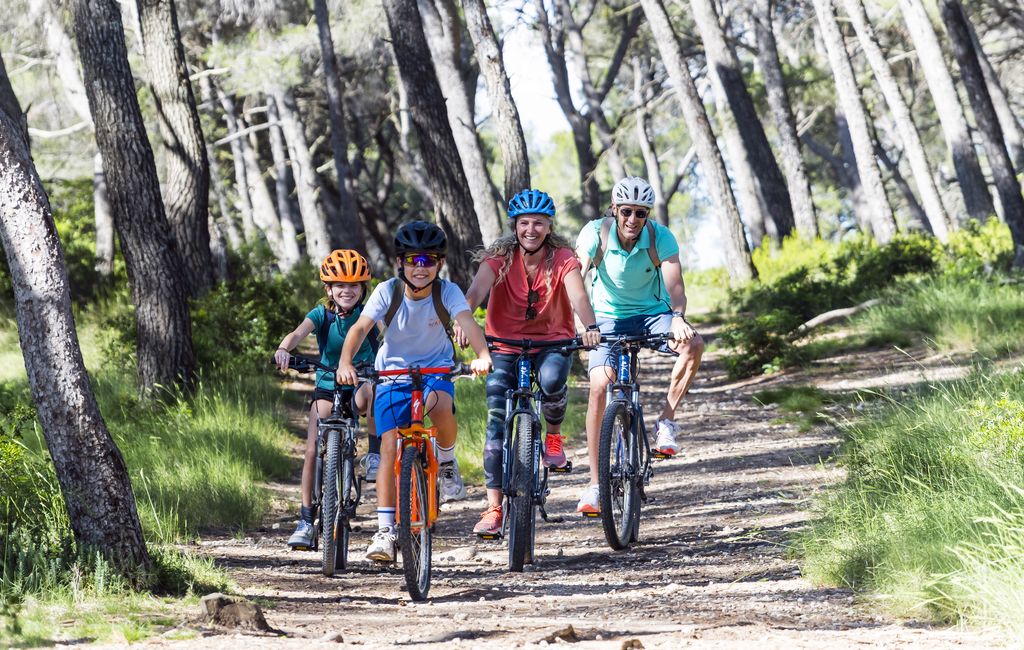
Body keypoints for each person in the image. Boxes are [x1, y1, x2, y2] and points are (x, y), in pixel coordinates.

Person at [337, 220, 492, 562]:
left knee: (440, 408)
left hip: (435, 370)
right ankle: (385, 529)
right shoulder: (387, 291)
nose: (419, 268)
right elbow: (361, 327)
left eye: (428, 261)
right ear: (400, 263)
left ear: (439, 264)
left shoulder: (447, 292)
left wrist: (482, 356)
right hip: (392, 374)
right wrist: (346, 362)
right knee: (390, 445)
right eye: (412, 261)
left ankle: (448, 462)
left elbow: (468, 323)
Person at [457, 189, 602, 536]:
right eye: (524, 223)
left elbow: (578, 296)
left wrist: (591, 326)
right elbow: (476, 292)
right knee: (495, 419)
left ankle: (553, 438)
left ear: (549, 226)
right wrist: (462, 320)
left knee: (552, 383)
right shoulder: (500, 257)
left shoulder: (563, 257)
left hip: (553, 341)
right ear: (515, 226)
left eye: (538, 223)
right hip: (504, 344)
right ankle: (493, 508)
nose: (531, 230)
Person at [574, 177, 704, 515]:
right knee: (599, 386)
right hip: (605, 318)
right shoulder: (594, 233)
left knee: (694, 344)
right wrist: (583, 324)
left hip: (652, 314)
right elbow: (575, 277)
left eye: (641, 213)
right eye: (627, 212)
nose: (633, 220)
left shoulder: (660, 237)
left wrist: (678, 317)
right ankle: (595, 486)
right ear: (615, 209)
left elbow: (676, 285)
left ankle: (666, 422)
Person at [274, 250, 379, 549]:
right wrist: (284, 349)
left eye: (354, 286)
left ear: (363, 289)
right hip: (326, 382)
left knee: (369, 396)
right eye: (340, 286)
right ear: (328, 289)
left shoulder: (369, 314)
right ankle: (306, 520)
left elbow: (388, 337)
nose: (347, 291)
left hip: (361, 380)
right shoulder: (322, 313)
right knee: (310, 449)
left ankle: (372, 454)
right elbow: (297, 334)